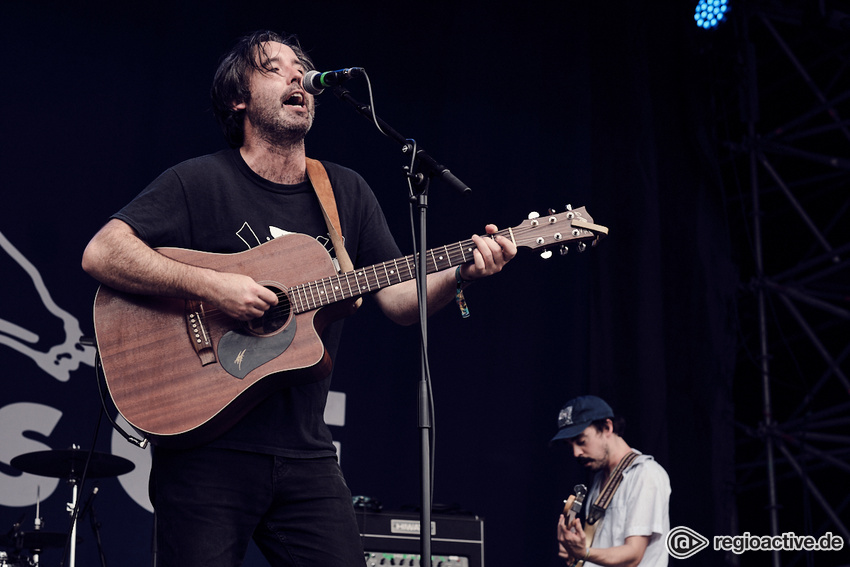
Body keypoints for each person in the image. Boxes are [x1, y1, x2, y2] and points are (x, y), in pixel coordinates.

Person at [81, 30, 516, 567]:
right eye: (273, 67)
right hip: (204, 452)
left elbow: (400, 298)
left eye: (302, 67)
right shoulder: (200, 181)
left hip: (306, 454)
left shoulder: (344, 192)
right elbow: (103, 253)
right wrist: (216, 286)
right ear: (237, 98)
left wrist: (462, 274)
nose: (298, 76)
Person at [552, 395, 670, 567]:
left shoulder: (646, 474)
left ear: (607, 427)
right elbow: (599, 552)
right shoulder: (600, 478)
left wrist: (583, 552)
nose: (576, 453)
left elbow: (633, 556)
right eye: (570, 445)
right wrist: (575, 553)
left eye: (581, 441)